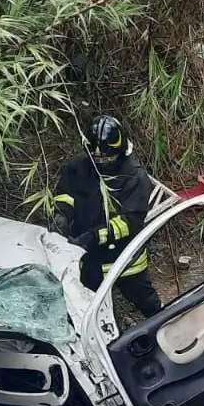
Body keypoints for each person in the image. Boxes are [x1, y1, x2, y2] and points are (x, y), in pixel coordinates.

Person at [50, 115, 163, 316]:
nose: (102, 162)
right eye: (97, 158)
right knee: (90, 310)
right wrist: (62, 216)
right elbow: (65, 195)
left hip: (125, 259)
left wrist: (94, 237)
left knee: (148, 304)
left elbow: (130, 221)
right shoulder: (77, 167)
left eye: (108, 157)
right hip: (88, 259)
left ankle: (166, 330)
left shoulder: (134, 177)